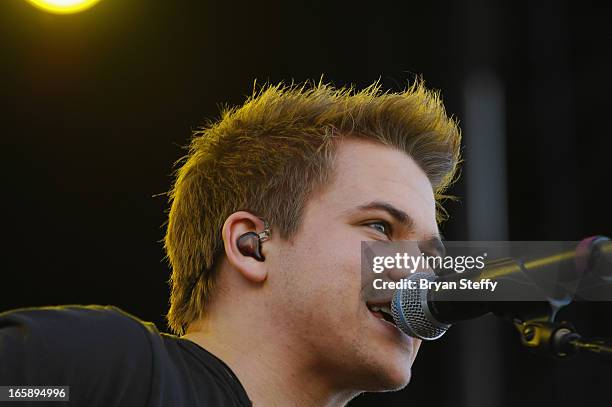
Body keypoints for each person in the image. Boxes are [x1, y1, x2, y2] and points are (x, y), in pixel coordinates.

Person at [0, 79, 461, 406]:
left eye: (431, 256)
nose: (421, 271)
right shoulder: (113, 370)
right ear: (251, 245)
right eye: (380, 227)